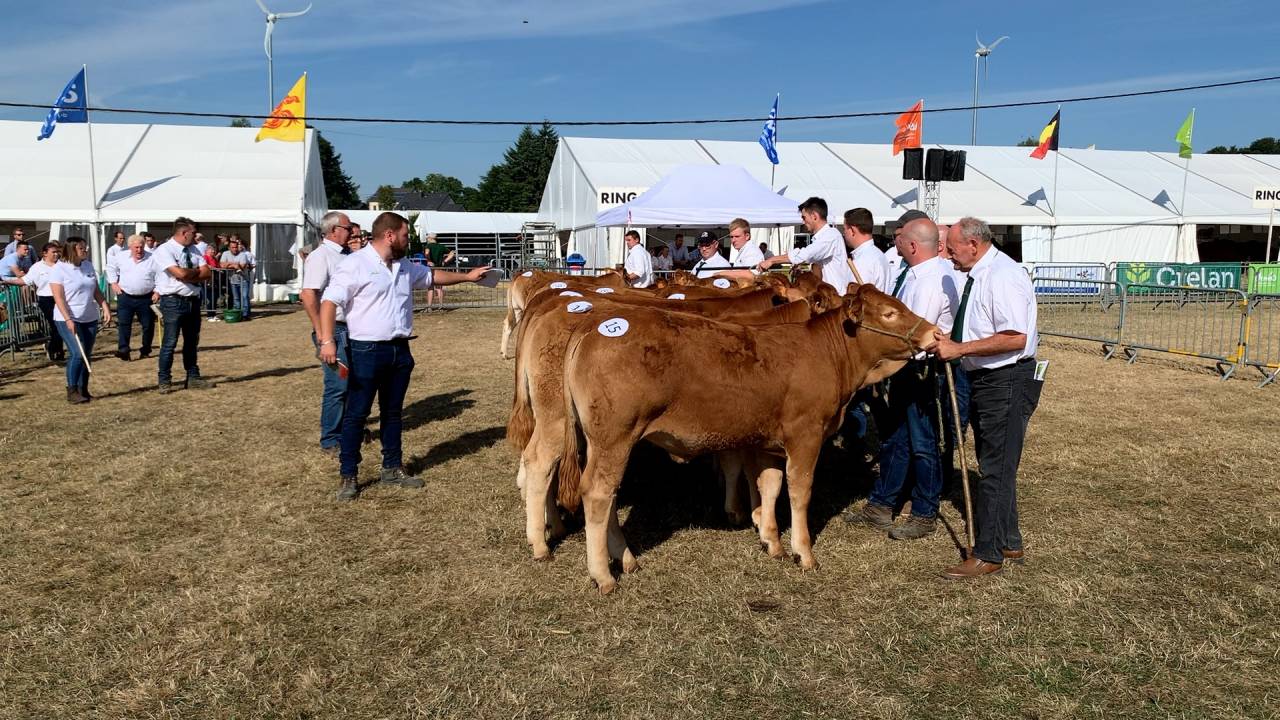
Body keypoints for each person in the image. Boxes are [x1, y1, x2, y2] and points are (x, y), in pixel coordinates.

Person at [316, 211, 491, 501]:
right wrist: (327, 342)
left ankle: (392, 467)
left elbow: (432, 276)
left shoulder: (404, 266)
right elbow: (329, 302)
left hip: (399, 350)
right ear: (389, 235)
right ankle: (349, 475)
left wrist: (468, 277)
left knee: (393, 412)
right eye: (405, 235)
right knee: (357, 415)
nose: (408, 240)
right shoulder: (354, 264)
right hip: (366, 350)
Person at [928, 217, 1041, 580]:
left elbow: (1014, 337)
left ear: (973, 245)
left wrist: (960, 347)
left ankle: (988, 552)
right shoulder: (980, 274)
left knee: (995, 468)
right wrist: (953, 339)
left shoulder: (1003, 275)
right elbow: (987, 326)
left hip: (1005, 380)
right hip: (987, 378)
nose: (946, 253)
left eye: (952, 246)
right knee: (996, 463)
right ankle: (1009, 539)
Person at [852, 217, 959, 540]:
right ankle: (883, 502)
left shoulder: (930, 281)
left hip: (919, 369)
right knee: (897, 438)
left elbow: (914, 337)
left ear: (912, 245)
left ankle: (924, 511)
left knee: (923, 443)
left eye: (899, 239)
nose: (894, 242)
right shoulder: (915, 275)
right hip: (905, 367)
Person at [302, 211, 354, 457]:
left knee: (352, 383)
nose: (351, 231)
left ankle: (347, 430)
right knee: (337, 384)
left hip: (351, 329)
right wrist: (324, 335)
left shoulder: (346, 256)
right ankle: (331, 439)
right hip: (334, 331)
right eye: (347, 227)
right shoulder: (320, 257)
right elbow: (309, 295)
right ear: (334, 230)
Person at [153, 217, 213, 393]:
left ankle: (193, 377)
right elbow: (179, 273)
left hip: (192, 301)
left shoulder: (193, 249)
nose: (195, 236)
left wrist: (189, 273)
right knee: (169, 343)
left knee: (191, 342)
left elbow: (207, 272)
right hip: (173, 301)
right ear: (183, 233)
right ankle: (164, 380)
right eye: (193, 233)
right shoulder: (164, 250)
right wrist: (194, 273)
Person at [49, 237, 110, 404]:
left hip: (88, 317)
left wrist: (104, 305)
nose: (85, 251)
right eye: (82, 248)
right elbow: (59, 297)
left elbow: (95, 289)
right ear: (72, 250)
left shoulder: (87, 265)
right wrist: (68, 318)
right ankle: (72, 389)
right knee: (77, 353)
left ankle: (84, 389)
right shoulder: (59, 269)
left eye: (85, 248)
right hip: (67, 317)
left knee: (86, 354)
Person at [756, 197, 856, 295]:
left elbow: (802, 255)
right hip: (827, 298)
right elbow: (818, 270)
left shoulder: (830, 236)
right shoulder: (823, 238)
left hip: (836, 300)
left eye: (804, 217)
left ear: (814, 216)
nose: (803, 222)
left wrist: (771, 260)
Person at [2, 241, 65, 360]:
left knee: (62, 325)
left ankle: (56, 349)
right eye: (53, 252)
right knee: (55, 324)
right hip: (46, 299)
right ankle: (55, 349)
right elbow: (25, 280)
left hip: (61, 298)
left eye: (57, 252)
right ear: (45, 254)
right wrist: (8, 281)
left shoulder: (62, 265)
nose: (56, 254)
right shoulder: (37, 267)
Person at [107, 234, 158, 361]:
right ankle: (124, 350)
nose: (139, 250)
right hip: (125, 296)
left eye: (141, 247)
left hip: (146, 297)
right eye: (136, 247)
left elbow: (161, 275)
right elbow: (110, 268)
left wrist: (158, 291)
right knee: (124, 324)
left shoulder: (153, 258)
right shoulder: (121, 257)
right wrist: (113, 283)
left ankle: (146, 349)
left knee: (147, 325)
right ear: (130, 247)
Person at [842, 208, 891, 293]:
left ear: (852, 230)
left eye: (845, 229)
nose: (844, 233)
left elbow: (854, 301)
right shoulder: (878, 254)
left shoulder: (862, 261)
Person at [220, 236, 255, 319]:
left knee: (244, 297)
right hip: (232, 279)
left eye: (236, 247)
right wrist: (235, 265)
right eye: (233, 247)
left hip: (244, 279)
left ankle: (245, 315)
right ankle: (238, 314)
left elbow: (242, 266)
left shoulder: (243, 254)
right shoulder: (225, 253)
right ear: (229, 248)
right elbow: (221, 265)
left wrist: (228, 264)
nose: (235, 249)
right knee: (236, 298)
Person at [424, 233, 455, 309]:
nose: (427, 239)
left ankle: (429, 306)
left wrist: (428, 260)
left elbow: (427, 253)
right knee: (439, 288)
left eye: (427, 238)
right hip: (440, 268)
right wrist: (445, 261)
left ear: (430, 238)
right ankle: (441, 305)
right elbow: (452, 253)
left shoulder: (428, 246)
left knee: (430, 287)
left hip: (431, 269)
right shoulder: (441, 246)